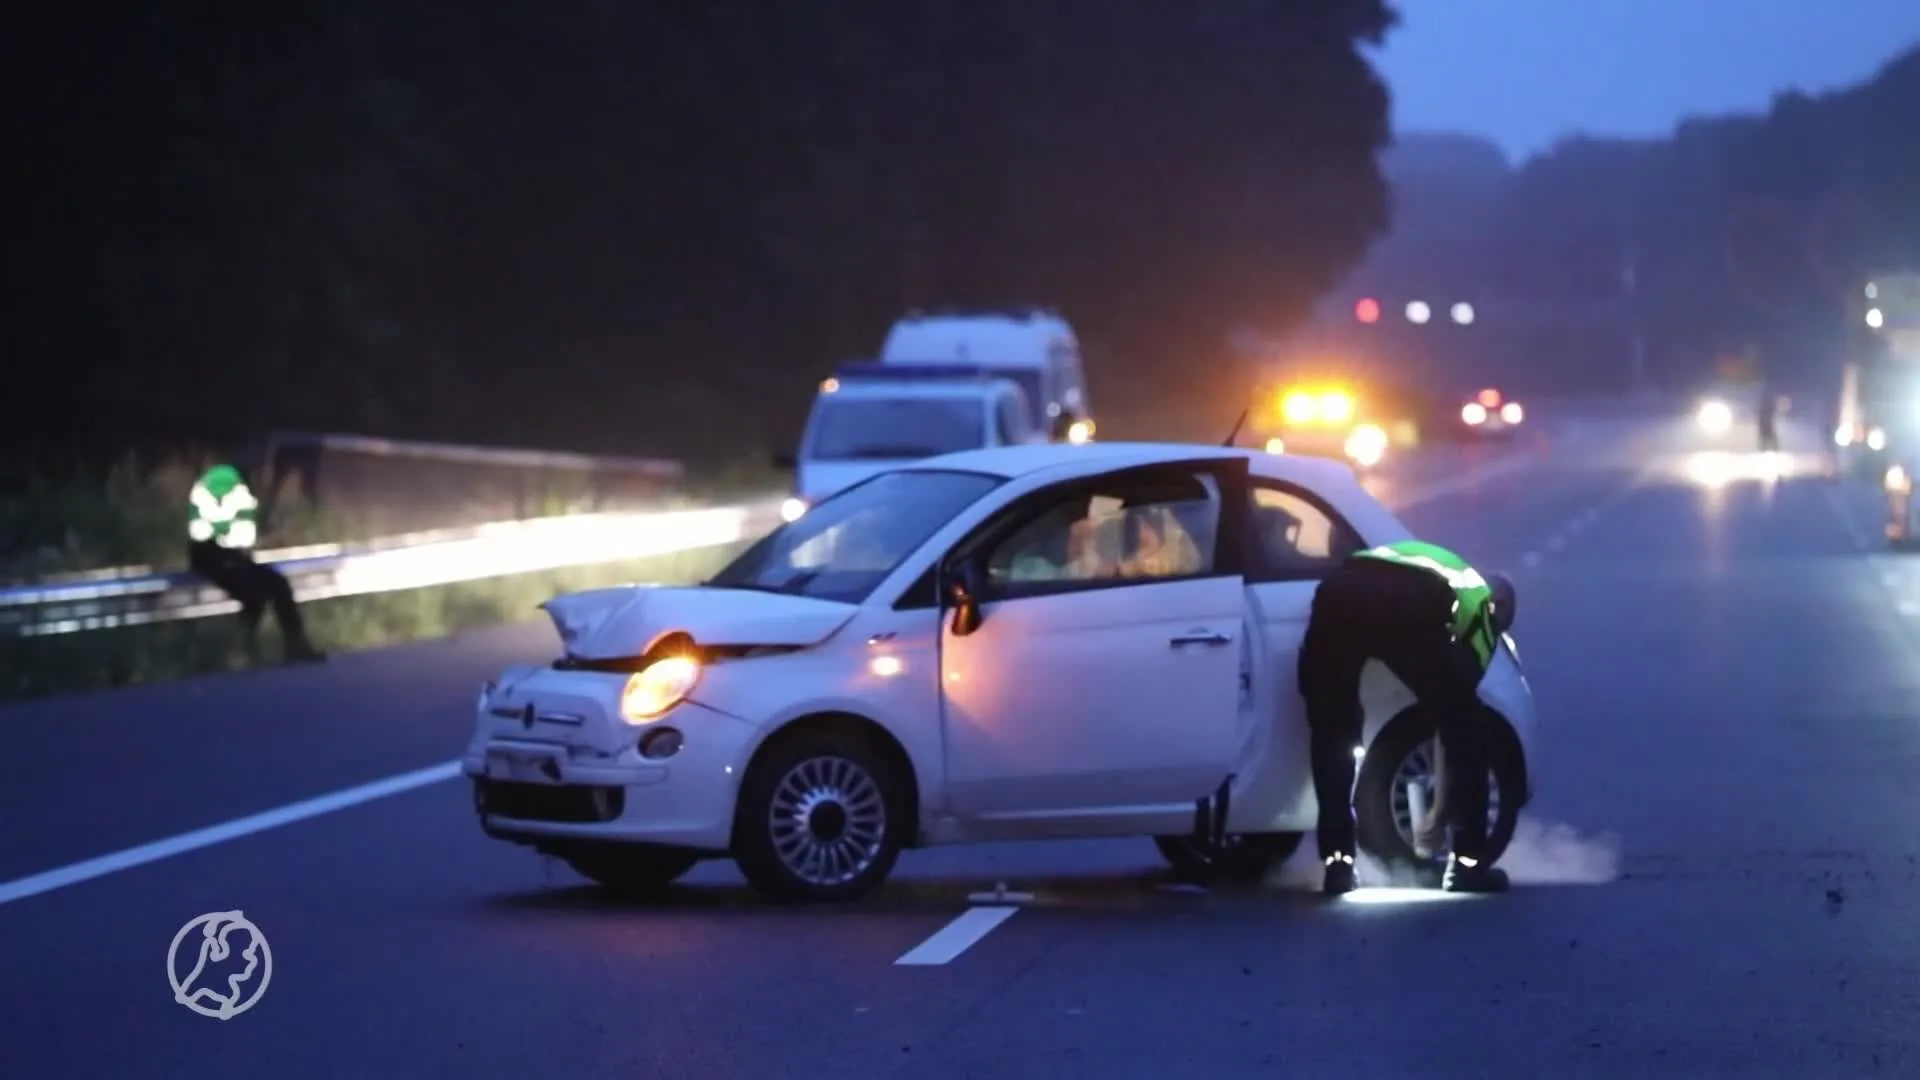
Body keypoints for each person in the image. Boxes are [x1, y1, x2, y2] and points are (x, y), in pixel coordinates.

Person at [1298, 539, 1511, 896]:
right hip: (1405, 607)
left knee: (1332, 730)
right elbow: (1454, 721)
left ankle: (1338, 866)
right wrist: (1438, 815)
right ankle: (1468, 865)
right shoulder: (1479, 606)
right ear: (1497, 607)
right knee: (1467, 729)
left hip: (1337, 592)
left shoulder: (1437, 560)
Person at [187, 463, 325, 663]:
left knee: (279, 583)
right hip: (211, 560)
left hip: (232, 559)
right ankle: (245, 648)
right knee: (253, 596)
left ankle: (295, 646)